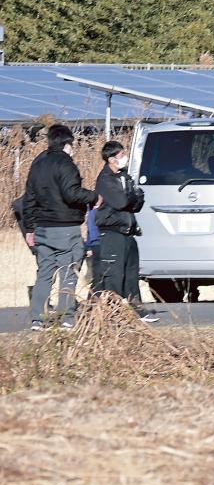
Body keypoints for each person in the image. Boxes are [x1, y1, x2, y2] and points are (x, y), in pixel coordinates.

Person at [23, 124, 101, 330]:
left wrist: (29, 228)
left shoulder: (38, 165)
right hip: (66, 227)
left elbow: (29, 198)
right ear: (67, 144)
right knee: (68, 272)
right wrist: (93, 196)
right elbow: (71, 193)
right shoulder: (66, 164)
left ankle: (37, 318)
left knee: (44, 273)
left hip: (42, 228)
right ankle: (66, 316)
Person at [94, 141, 156, 321]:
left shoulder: (124, 176)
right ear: (111, 159)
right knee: (114, 275)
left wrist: (134, 196)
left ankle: (137, 310)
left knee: (131, 274)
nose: (124, 158)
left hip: (128, 230)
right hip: (112, 231)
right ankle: (113, 313)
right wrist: (132, 196)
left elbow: (137, 202)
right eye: (121, 155)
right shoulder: (105, 179)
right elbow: (120, 202)